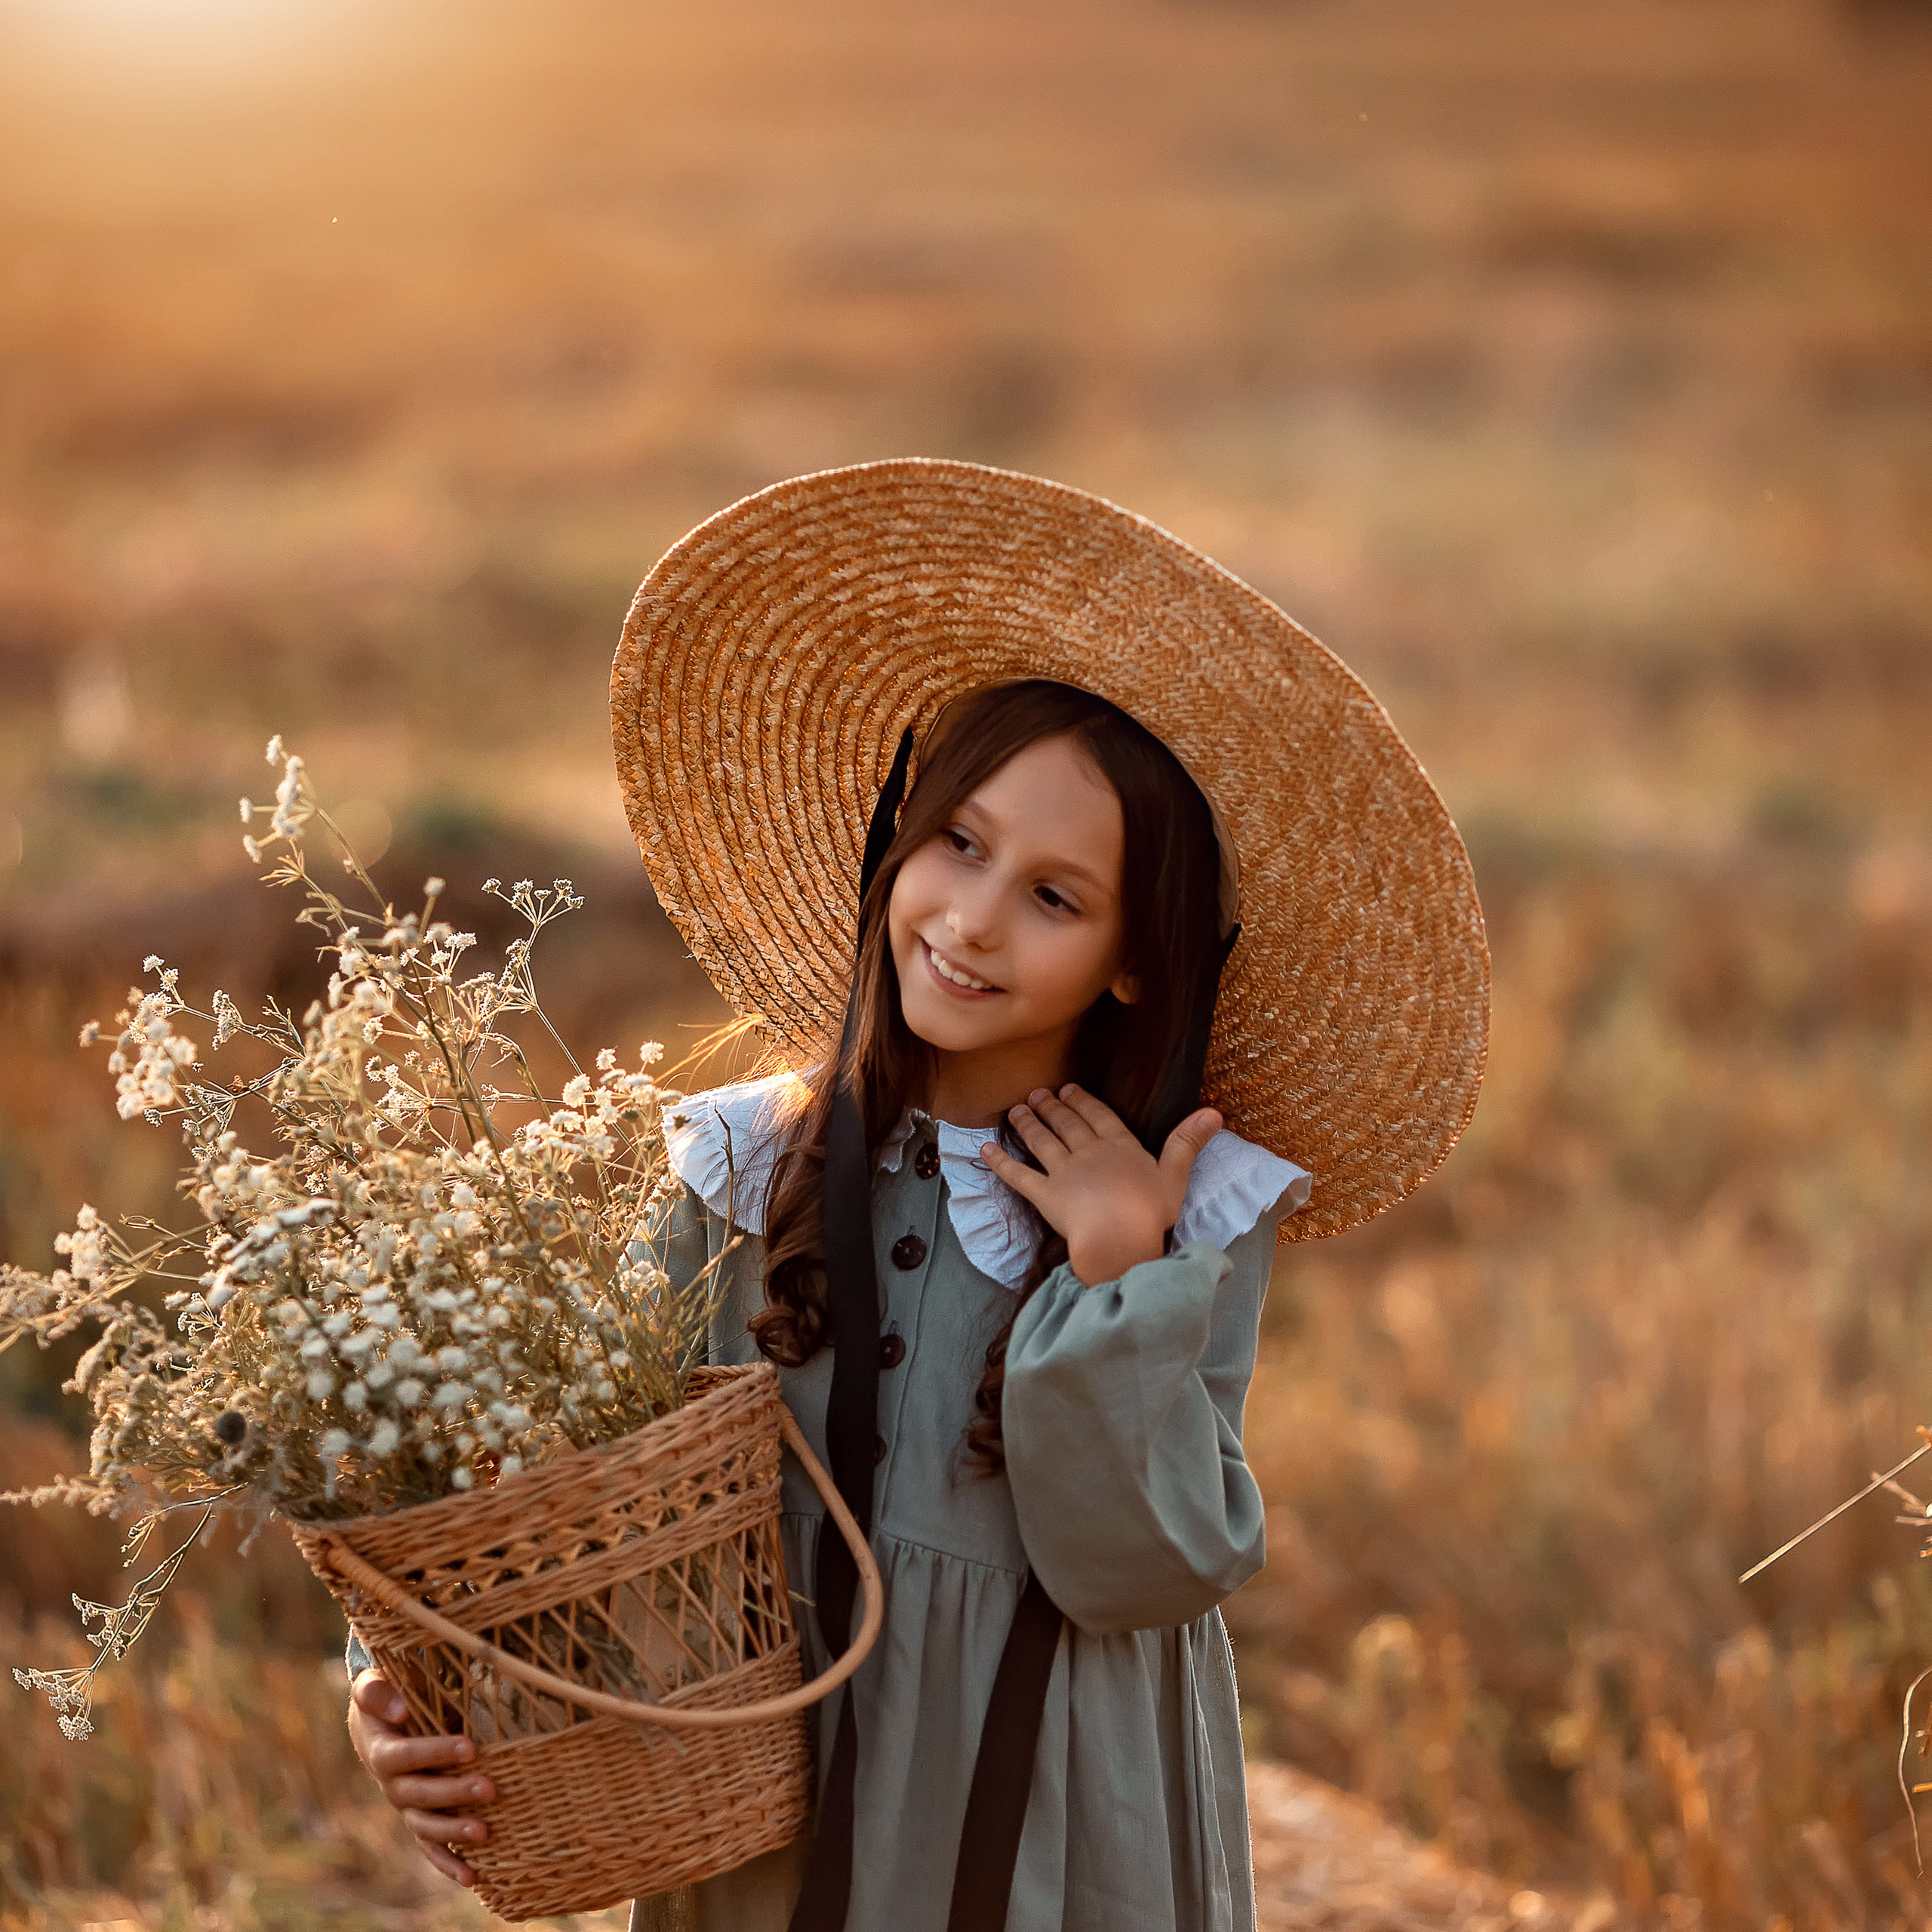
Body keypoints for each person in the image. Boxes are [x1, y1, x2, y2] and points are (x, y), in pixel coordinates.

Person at [346, 460, 1489, 1932]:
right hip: (771, 1839)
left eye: (1053, 895)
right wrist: (412, 1697)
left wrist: (1114, 1267)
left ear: (1133, 957)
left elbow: (1142, 1570)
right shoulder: (735, 1167)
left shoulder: (1179, 1215)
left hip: (1056, 1845)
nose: (968, 916)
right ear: (900, 835)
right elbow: (576, 1513)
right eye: (957, 841)